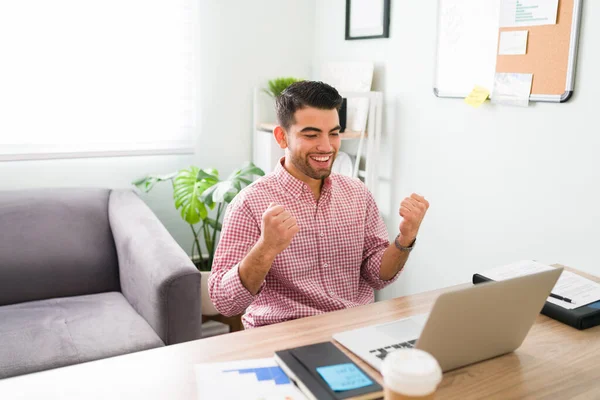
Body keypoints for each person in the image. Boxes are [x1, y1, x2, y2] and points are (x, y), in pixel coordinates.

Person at [208, 81, 429, 329]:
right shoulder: (249, 203)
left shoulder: (357, 193)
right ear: (282, 137)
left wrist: (405, 239)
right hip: (284, 333)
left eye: (334, 133)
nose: (326, 146)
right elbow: (225, 302)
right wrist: (266, 248)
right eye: (311, 135)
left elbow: (377, 276)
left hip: (355, 329)